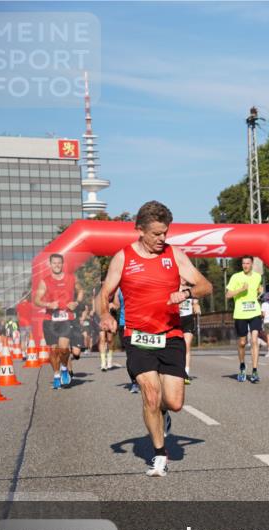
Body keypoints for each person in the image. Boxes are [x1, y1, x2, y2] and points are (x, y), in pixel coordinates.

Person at [97, 200, 211, 477]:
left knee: (174, 403)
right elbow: (104, 294)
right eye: (157, 234)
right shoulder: (123, 257)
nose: (162, 239)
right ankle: (159, 454)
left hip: (170, 335)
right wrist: (105, 315)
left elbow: (205, 285)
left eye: (165, 233)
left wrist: (185, 294)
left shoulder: (174, 255)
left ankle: (163, 416)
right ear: (140, 230)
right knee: (150, 393)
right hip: (137, 336)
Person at [33, 253, 84, 390]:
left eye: (59, 263)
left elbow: (80, 291)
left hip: (66, 319)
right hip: (50, 320)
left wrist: (76, 302)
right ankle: (56, 375)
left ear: (62, 264)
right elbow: (36, 299)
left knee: (63, 348)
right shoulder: (45, 281)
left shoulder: (71, 278)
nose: (56, 265)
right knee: (54, 351)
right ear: (50, 265)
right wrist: (48, 305)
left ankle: (64, 367)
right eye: (54, 263)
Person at [226, 256, 263, 383]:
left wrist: (260, 290)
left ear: (252, 264)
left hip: (254, 312)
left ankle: (254, 370)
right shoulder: (236, 277)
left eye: (248, 263)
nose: (245, 265)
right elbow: (228, 295)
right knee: (242, 343)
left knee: (254, 340)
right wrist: (241, 289)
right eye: (243, 263)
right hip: (240, 313)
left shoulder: (257, 277)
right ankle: (242, 365)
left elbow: (258, 287)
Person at [178, 277, 201, 383]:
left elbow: (195, 302)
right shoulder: (173, 288)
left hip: (188, 320)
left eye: (184, 277)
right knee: (176, 347)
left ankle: (186, 373)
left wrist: (196, 306)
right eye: (180, 276)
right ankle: (175, 370)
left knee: (186, 346)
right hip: (175, 321)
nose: (182, 279)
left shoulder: (191, 290)